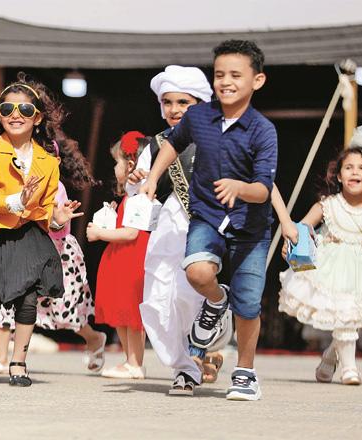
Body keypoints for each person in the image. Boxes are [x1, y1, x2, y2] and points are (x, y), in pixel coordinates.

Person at [139, 40, 277, 401]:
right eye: (219, 74)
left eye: (235, 75)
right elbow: (173, 143)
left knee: (247, 303)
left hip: (249, 227)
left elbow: (264, 188)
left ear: (257, 80)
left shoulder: (263, 130)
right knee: (194, 275)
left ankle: (245, 372)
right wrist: (152, 177)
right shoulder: (198, 119)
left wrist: (241, 188)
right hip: (204, 218)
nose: (226, 81)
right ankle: (215, 304)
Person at [0, 73, 82, 387]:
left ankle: (18, 362)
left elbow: (46, 211)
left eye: (24, 111)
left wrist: (59, 218)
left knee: (26, 300)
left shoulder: (49, 163)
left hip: (26, 234)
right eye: (7, 110)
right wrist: (16, 199)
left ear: (37, 118)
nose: (15, 116)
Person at [127, 66, 224, 394]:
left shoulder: (220, 137)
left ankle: (198, 355)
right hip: (170, 226)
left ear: (201, 102)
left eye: (183, 101)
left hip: (208, 224)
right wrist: (137, 183)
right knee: (159, 296)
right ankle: (184, 367)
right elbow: (136, 192)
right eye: (167, 102)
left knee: (190, 294)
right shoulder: (155, 145)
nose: (174, 109)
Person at [0, 137, 106, 375]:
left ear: (53, 162)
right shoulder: (16, 182)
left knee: (64, 310)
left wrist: (56, 220)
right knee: (6, 302)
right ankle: (2, 358)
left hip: (55, 255)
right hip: (21, 251)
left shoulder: (58, 189)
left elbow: (57, 227)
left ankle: (94, 338)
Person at [279, 145, 362, 385]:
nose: (355, 172)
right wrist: (290, 244)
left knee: (351, 317)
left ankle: (329, 358)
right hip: (331, 269)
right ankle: (350, 369)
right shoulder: (326, 205)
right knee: (345, 316)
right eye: (348, 167)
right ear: (339, 175)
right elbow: (301, 229)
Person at [87, 131, 150, 380]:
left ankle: (135, 362)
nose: (115, 168)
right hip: (124, 258)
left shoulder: (138, 196)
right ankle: (129, 360)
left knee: (132, 315)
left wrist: (101, 233)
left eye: (117, 162)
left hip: (131, 259)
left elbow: (131, 234)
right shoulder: (130, 196)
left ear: (131, 164)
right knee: (124, 315)